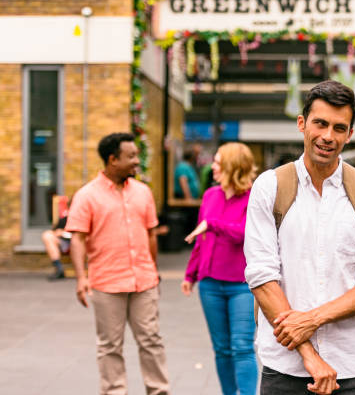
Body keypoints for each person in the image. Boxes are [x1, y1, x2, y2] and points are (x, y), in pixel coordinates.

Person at [244, 80, 355, 395]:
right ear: (302, 124)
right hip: (284, 367)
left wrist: (313, 319)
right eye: (320, 123)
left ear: (350, 134)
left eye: (339, 128)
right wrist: (309, 355)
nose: (328, 136)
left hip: (350, 366)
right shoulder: (269, 187)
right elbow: (262, 277)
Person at [65, 133, 170, 395]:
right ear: (113, 159)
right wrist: (81, 278)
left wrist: (153, 272)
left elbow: (151, 235)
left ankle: (159, 391)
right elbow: (77, 239)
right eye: (131, 156)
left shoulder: (143, 192)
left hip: (143, 281)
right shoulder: (87, 195)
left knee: (151, 341)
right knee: (110, 346)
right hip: (107, 282)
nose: (137, 161)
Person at [181, 142, 258, 395]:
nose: (212, 166)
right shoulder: (210, 196)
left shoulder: (253, 198)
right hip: (209, 284)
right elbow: (200, 239)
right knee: (222, 349)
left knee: (242, 346)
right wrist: (191, 274)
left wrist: (212, 224)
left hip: (241, 285)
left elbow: (244, 233)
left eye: (217, 161)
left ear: (232, 165)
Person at [42, 213, 71, 280]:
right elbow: (56, 232)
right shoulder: (65, 219)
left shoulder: (84, 219)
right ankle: (59, 269)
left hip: (82, 243)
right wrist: (61, 233)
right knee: (47, 235)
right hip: (65, 243)